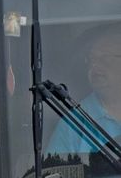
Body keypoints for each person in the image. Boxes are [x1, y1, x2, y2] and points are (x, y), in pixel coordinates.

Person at [47, 26, 121, 155]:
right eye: (91, 59)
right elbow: (53, 173)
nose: (95, 67)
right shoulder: (74, 122)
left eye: (105, 59)